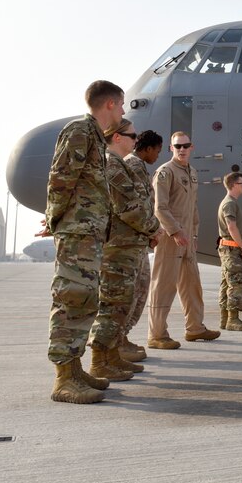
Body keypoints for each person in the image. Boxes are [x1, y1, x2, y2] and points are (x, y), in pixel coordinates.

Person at [45, 79, 124, 404]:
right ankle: (63, 379)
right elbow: (60, 177)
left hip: (88, 233)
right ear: (109, 104)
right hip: (77, 232)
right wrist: (58, 220)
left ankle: (74, 368)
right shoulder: (79, 130)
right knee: (71, 298)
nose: (122, 111)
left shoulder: (94, 137)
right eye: (121, 104)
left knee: (86, 299)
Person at [89, 119, 161, 381]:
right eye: (132, 136)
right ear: (117, 137)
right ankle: (100, 362)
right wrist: (154, 229)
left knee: (122, 304)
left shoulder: (120, 164)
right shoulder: (113, 165)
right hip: (118, 249)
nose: (135, 141)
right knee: (113, 305)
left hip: (128, 245)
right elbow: (129, 208)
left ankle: (111, 357)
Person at [147, 131, 220, 347]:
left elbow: (193, 207)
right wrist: (176, 231)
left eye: (185, 146)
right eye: (177, 146)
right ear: (171, 148)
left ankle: (195, 328)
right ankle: (157, 335)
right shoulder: (165, 172)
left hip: (187, 238)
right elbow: (159, 208)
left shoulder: (193, 172)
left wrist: (194, 233)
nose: (182, 149)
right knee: (164, 285)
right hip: (171, 237)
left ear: (192, 147)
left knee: (192, 284)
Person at [119, 130, 163, 361]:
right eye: (157, 150)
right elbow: (138, 205)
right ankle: (116, 343)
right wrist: (153, 230)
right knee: (132, 293)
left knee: (139, 290)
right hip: (130, 242)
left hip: (137, 240)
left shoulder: (136, 165)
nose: (157, 155)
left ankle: (121, 339)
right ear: (147, 148)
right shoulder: (134, 166)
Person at [217, 171, 242, 331]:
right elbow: (231, 226)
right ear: (233, 185)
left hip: (228, 248)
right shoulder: (229, 203)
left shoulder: (229, 202)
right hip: (231, 249)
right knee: (237, 283)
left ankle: (225, 319)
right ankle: (233, 320)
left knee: (227, 283)